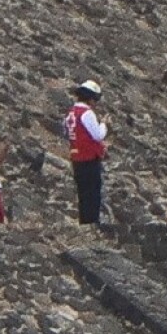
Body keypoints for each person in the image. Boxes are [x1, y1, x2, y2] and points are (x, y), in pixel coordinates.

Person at [63, 80, 109, 225]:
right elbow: (97, 135)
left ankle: (85, 222)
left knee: (83, 194)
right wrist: (104, 124)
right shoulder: (87, 113)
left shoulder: (71, 113)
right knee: (93, 194)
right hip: (89, 158)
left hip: (77, 157)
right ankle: (92, 223)